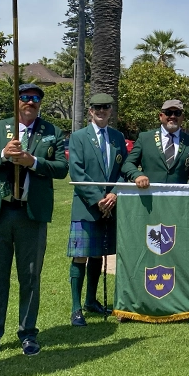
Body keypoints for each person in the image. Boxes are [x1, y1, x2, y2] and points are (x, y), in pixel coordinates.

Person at [0, 84, 68, 360]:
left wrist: (32, 161)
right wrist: (3, 155)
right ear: (16, 101)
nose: (30, 102)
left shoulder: (52, 132)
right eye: (25, 98)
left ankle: (28, 334)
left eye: (35, 99)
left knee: (30, 277)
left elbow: (61, 169)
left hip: (31, 213)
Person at [66, 93, 128, 327]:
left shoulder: (117, 137)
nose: (101, 111)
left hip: (111, 205)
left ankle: (91, 301)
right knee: (80, 255)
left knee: (97, 254)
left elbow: (125, 167)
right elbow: (77, 171)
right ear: (90, 111)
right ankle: (76, 308)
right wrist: (97, 199)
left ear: (110, 111)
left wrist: (114, 193)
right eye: (97, 108)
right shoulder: (79, 137)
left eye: (106, 107)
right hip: (86, 206)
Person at [122, 99, 189, 186]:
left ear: (182, 117)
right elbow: (128, 164)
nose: (173, 116)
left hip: (178, 198)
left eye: (177, 113)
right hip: (149, 195)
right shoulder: (145, 138)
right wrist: (137, 175)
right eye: (168, 112)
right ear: (161, 116)